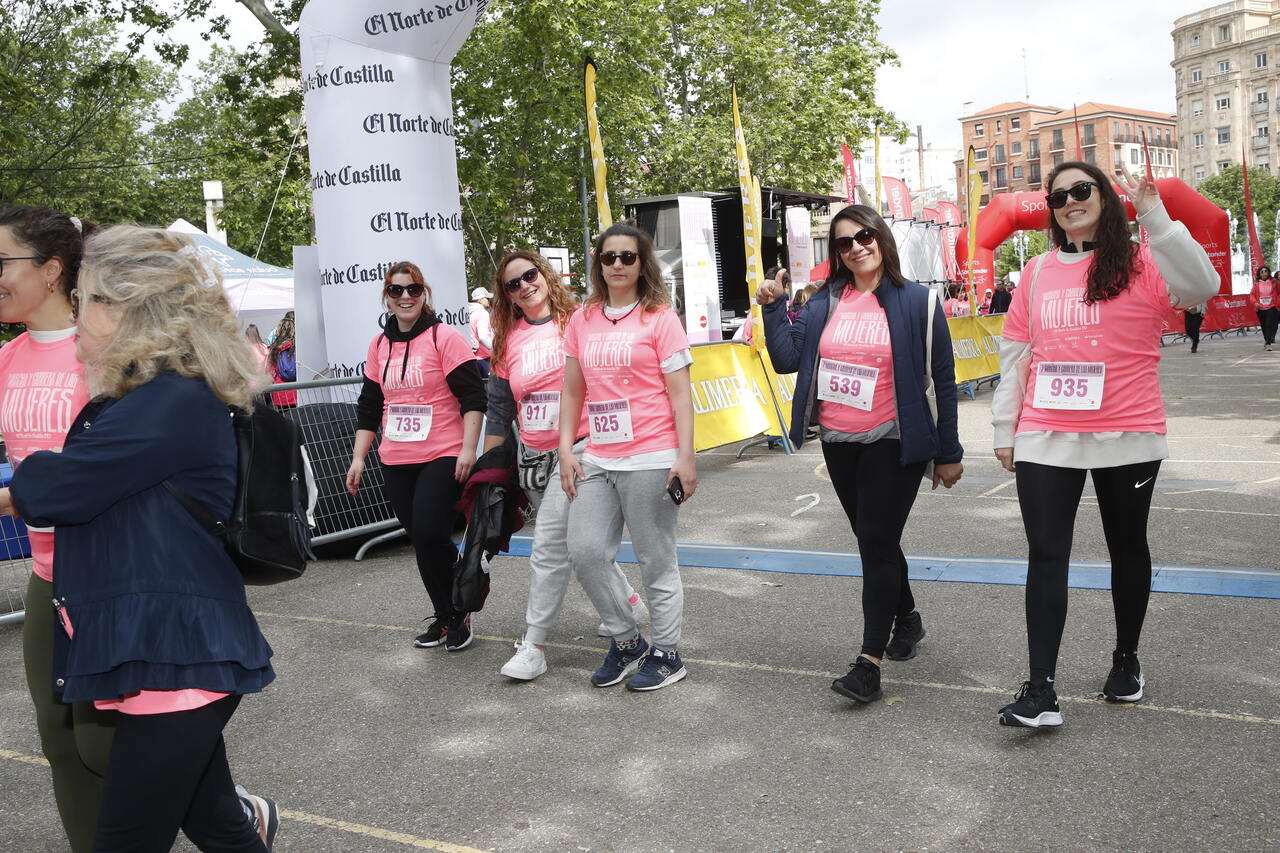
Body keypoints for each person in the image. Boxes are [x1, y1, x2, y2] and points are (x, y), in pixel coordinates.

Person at [5, 225, 279, 850]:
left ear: (128, 309)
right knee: (220, 826)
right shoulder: (151, 396)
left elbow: (56, 487)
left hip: (174, 652)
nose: (76, 315)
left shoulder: (168, 400)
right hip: (160, 647)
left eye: (86, 299)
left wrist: (34, 470)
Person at [991, 161, 1218, 729]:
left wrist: (1154, 214)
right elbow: (1016, 353)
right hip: (1046, 432)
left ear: (1104, 197)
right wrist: (1004, 428)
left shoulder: (1144, 261)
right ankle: (1040, 690)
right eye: (1058, 196)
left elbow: (1202, 286)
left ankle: (1126, 659)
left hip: (1129, 435)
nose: (1070, 201)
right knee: (1045, 554)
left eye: (1081, 190)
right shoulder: (1036, 272)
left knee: (1127, 547)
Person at [758, 204, 963, 705]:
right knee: (876, 540)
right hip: (838, 442)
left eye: (864, 236)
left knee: (874, 538)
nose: (856, 247)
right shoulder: (824, 302)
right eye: (844, 242)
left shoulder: (917, 301)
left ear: (881, 237)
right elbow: (787, 359)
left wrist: (949, 451)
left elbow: (944, 379)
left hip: (895, 440)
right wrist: (774, 307)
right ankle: (907, 619)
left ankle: (868, 663)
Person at [0, 206, 115, 852]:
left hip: (107, 573)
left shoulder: (99, 353)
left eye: (2, 262)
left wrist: (13, 498)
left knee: (106, 742)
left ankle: (227, 809)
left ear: (50, 271)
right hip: (46, 573)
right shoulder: (8, 359)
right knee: (59, 741)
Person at [482, 250, 645, 681]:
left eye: (529, 276)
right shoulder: (507, 339)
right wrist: (489, 470)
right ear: (506, 295)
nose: (524, 286)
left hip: (582, 447)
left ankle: (534, 645)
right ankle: (628, 603)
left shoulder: (579, 320)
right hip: (534, 459)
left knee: (549, 547)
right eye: (513, 284)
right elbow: (499, 411)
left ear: (544, 274)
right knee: (577, 547)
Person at [560, 220, 697, 692]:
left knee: (655, 559)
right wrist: (565, 449)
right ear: (598, 264)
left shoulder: (660, 317)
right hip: (598, 455)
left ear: (642, 264)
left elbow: (681, 395)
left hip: (652, 455)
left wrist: (686, 457)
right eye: (608, 256)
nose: (617, 264)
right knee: (584, 552)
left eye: (627, 256)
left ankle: (667, 652)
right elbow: (572, 390)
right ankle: (626, 640)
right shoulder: (582, 318)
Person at [347, 261, 485, 651]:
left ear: (424, 294)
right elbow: (369, 407)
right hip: (396, 456)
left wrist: (468, 448)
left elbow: (473, 397)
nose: (405, 296)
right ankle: (444, 615)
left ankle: (461, 606)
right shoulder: (379, 345)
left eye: (413, 289)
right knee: (421, 541)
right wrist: (358, 458)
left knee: (429, 531)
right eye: (396, 290)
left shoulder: (444, 337)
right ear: (386, 296)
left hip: (443, 451)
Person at [266, 311, 296, 407]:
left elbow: (269, 372)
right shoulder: (297, 347)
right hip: (297, 392)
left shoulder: (273, 349)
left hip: (280, 392)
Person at [1249, 266, 1278, 350]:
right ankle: (1267, 341)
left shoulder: (1274, 282)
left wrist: (1277, 302)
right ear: (1259, 274)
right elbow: (1252, 295)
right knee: (1264, 326)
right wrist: (1255, 303)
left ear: (1268, 273)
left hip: (1271, 307)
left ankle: (1268, 343)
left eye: (1266, 271)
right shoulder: (1256, 284)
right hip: (1260, 308)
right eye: (1262, 271)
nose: (1264, 273)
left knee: (1269, 325)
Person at [468, 285, 493, 375]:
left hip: (473, 358)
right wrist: (496, 350)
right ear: (480, 299)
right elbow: (483, 337)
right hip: (484, 358)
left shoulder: (470, 313)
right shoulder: (482, 313)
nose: (489, 300)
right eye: (487, 298)